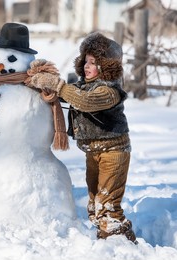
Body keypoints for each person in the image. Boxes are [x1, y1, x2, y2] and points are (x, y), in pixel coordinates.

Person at [25, 32, 137, 243]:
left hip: (113, 153)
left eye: (93, 62)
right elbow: (70, 93)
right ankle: (107, 240)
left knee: (108, 206)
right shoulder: (84, 85)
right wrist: (42, 81)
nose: (87, 66)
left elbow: (84, 101)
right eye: (85, 61)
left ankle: (124, 246)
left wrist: (58, 85)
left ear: (106, 65)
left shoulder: (109, 91)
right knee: (95, 206)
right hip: (93, 152)